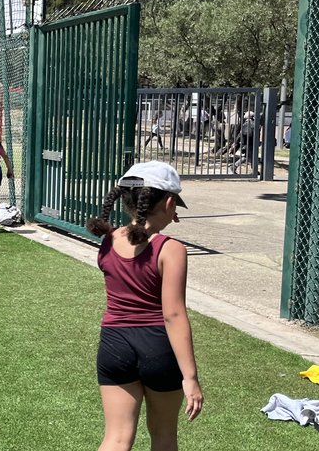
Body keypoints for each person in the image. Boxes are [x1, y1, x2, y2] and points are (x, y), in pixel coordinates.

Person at [85, 161, 203, 451]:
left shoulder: (109, 240)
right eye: (175, 207)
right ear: (169, 202)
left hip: (114, 346)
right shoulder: (171, 249)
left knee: (116, 438)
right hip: (157, 348)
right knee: (163, 437)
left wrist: (155, 222)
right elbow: (173, 315)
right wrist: (190, 377)